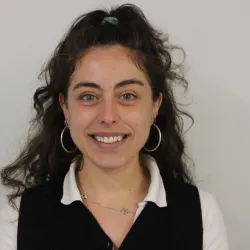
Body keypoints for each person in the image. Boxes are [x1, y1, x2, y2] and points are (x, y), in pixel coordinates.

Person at [0, 3, 229, 250]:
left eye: (128, 96)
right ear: (66, 107)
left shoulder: (201, 213)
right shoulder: (20, 216)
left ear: (154, 106)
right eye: (88, 96)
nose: (108, 116)